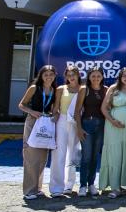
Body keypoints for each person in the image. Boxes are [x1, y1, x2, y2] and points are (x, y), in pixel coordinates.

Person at [98, 67, 126, 199]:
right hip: (113, 126)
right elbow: (104, 108)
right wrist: (113, 121)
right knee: (115, 153)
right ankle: (114, 187)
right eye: (124, 76)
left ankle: (123, 184)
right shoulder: (113, 88)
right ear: (120, 77)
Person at [18, 65, 59, 200]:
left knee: (42, 158)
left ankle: (37, 188)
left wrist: (55, 115)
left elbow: (53, 108)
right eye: (45, 74)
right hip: (33, 122)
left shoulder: (54, 90)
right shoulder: (34, 88)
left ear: (54, 76)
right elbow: (21, 105)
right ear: (41, 76)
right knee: (31, 156)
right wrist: (32, 112)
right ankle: (29, 190)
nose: (48, 77)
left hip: (46, 123)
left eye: (51, 74)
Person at [51, 66, 85, 197]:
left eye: (74, 74)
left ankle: (69, 185)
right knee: (58, 154)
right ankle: (56, 187)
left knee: (72, 154)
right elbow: (56, 108)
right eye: (69, 75)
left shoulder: (82, 89)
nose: (71, 77)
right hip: (62, 121)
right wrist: (52, 121)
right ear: (65, 76)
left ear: (78, 75)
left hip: (76, 122)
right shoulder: (60, 89)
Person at [78, 68, 106, 198]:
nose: (96, 78)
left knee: (95, 157)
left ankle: (91, 184)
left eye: (98, 76)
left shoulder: (106, 89)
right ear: (89, 77)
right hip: (87, 125)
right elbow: (77, 111)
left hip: (101, 126)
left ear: (102, 77)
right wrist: (79, 128)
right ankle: (82, 185)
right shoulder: (84, 89)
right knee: (86, 157)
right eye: (93, 76)